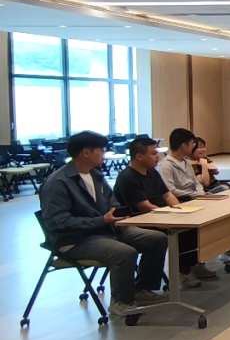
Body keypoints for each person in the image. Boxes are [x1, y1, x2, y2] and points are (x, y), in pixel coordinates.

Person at [39, 131, 169, 317]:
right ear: (86, 152)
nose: (104, 154)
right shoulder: (58, 183)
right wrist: (101, 220)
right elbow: (58, 222)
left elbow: (112, 202)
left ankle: (142, 288)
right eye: (101, 150)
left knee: (157, 239)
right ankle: (121, 301)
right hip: (74, 240)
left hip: (106, 230)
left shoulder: (96, 175)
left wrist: (117, 215)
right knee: (124, 253)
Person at [114, 136, 209, 288]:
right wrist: (170, 215)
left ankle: (192, 265)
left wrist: (181, 210)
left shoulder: (151, 172)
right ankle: (182, 271)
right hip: (142, 219)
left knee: (193, 225)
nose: (157, 156)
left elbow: (167, 195)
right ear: (139, 156)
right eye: (153, 153)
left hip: (161, 214)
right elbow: (144, 206)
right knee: (181, 232)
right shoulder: (127, 178)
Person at [159, 128, 228, 200]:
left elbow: (197, 183)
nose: (193, 146)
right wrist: (197, 195)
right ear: (184, 146)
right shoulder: (166, 165)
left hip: (196, 195)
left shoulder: (186, 162)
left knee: (224, 191)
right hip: (184, 199)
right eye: (192, 144)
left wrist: (201, 194)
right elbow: (171, 190)